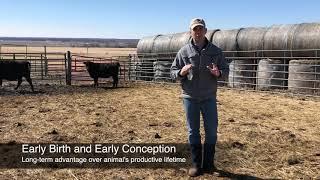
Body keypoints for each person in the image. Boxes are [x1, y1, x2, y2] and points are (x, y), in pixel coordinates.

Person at [170, 18, 229, 177]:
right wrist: (181, 73)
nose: (198, 32)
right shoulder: (184, 51)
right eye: (195, 29)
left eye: (200, 29)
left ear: (205, 30)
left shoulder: (216, 51)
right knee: (193, 132)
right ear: (191, 31)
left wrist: (219, 73)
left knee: (211, 132)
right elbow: (173, 71)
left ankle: (209, 165)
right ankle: (196, 165)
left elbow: (226, 70)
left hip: (209, 97)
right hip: (190, 97)